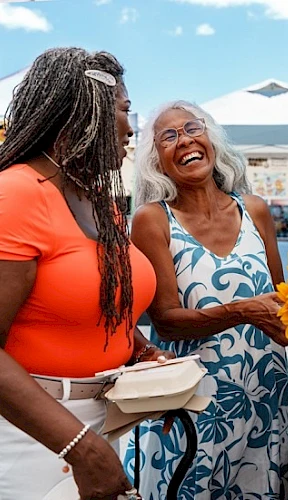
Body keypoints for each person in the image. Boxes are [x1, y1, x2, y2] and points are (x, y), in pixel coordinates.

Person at [0, 47, 173, 499]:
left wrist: (141, 353)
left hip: (95, 425)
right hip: (30, 437)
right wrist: (83, 450)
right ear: (87, 109)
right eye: (124, 109)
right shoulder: (16, 193)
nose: (131, 128)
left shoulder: (95, 199)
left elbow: (90, 306)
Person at [123, 100, 288, 499]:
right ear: (157, 162)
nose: (185, 140)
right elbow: (164, 320)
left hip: (267, 398)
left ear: (211, 141)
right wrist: (243, 312)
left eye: (192, 128)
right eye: (169, 136)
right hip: (193, 404)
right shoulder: (152, 220)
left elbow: (283, 304)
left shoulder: (255, 211)